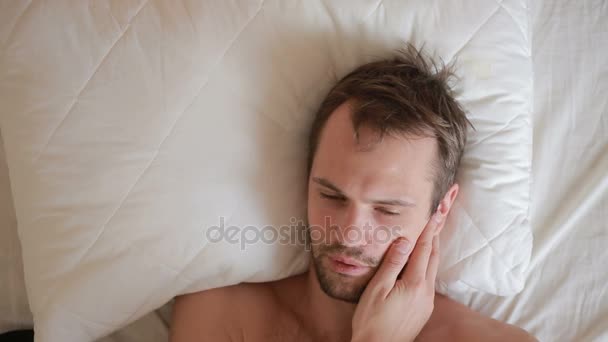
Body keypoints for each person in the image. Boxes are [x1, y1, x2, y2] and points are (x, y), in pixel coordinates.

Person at [170, 45, 537, 342]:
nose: (348, 233)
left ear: (441, 208)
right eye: (332, 196)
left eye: (387, 210)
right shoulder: (221, 314)